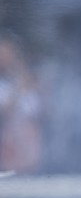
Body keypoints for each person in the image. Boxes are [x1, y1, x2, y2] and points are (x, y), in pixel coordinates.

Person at [0, 35, 42, 173]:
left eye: (7, 54)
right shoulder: (8, 84)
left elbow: (40, 110)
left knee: (31, 170)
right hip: (9, 134)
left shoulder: (28, 80)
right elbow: (5, 110)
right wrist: (18, 87)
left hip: (28, 133)